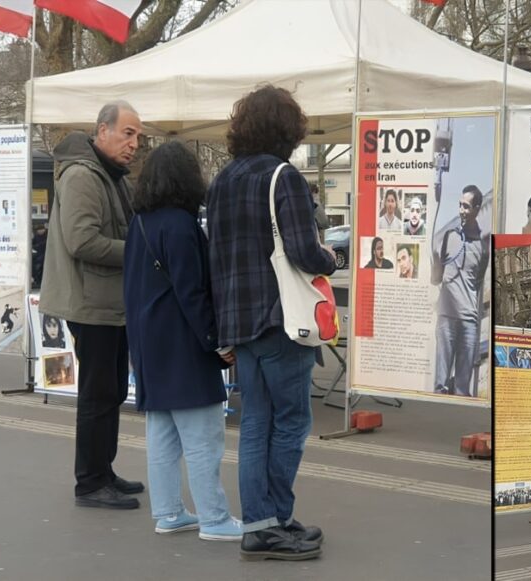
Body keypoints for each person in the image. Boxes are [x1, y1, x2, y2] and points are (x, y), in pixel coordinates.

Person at [207, 85, 332, 560]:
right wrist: (330, 257)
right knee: (292, 420)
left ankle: (262, 521)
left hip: (238, 320)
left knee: (256, 420)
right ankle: (273, 520)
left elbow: (215, 257)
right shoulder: (285, 177)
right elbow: (303, 251)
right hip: (281, 319)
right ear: (288, 129)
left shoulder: (221, 181)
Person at [124, 141, 242, 542]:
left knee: (162, 435)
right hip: (182, 344)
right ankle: (213, 518)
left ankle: (170, 512)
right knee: (203, 436)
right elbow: (191, 292)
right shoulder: (180, 224)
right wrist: (217, 341)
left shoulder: (140, 223)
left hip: (148, 342)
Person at [40, 100, 145, 509]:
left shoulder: (111, 175)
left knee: (113, 390)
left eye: (138, 135)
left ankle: (104, 469)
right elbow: (82, 241)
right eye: (127, 133)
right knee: (98, 394)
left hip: (110, 302)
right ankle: (90, 481)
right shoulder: (84, 175)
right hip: (92, 304)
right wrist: (141, 249)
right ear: (102, 132)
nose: (134, 143)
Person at [431, 184, 489, 397]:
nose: (461, 210)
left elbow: (478, 280)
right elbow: (436, 278)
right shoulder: (449, 237)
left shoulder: (484, 246)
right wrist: (435, 261)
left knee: (463, 387)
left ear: (476, 208)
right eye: (460, 205)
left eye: (466, 206)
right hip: (446, 317)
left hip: (468, 321)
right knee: (441, 384)